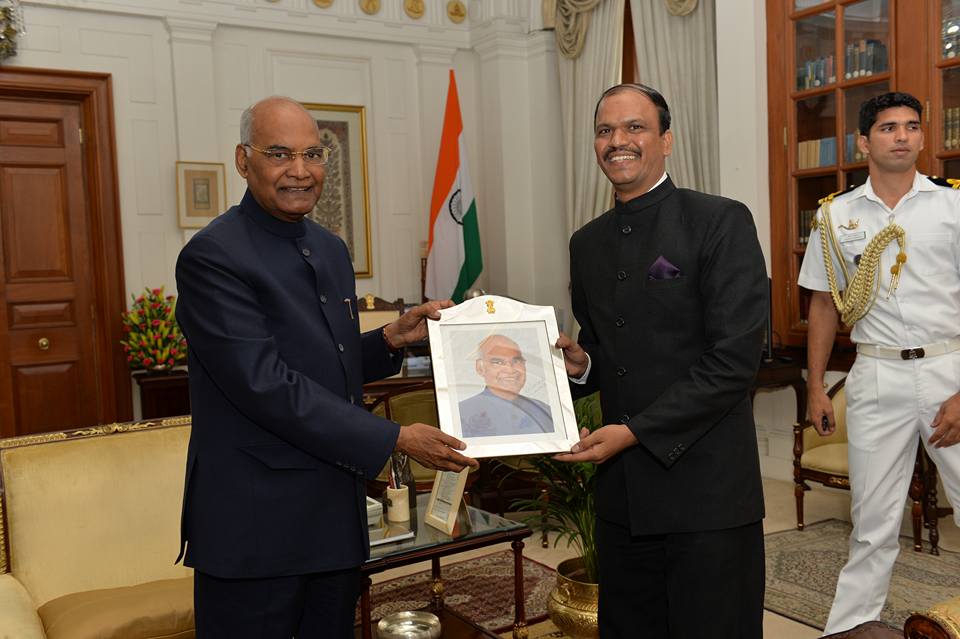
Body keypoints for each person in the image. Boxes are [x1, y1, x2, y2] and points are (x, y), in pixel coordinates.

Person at [174, 96, 477, 639]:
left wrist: (388, 338)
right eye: (280, 154)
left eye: (313, 154)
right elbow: (265, 385)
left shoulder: (328, 248)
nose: (300, 171)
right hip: (255, 529)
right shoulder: (212, 256)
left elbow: (321, 363)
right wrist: (395, 437)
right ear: (244, 161)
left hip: (332, 519)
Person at [554, 83, 769, 638]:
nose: (617, 141)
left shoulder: (719, 221)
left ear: (666, 140)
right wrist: (581, 366)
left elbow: (734, 362)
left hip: (708, 493)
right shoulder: (587, 242)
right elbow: (604, 352)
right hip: (624, 498)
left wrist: (633, 432)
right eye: (605, 130)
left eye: (634, 128)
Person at [799, 91, 960, 635]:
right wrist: (817, 387)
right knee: (872, 521)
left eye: (912, 126)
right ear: (865, 142)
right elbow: (823, 303)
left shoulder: (954, 203)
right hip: (874, 371)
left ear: (922, 136)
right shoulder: (836, 214)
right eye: (889, 128)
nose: (902, 136)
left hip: (949, 368)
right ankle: (849, 627)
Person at [458, 334, 553, 437]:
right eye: (498, 362)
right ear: (480, 368)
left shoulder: (545, 411)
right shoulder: (460, 414)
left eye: (516, 361)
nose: (510, 369)